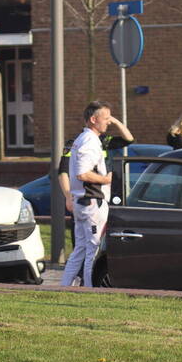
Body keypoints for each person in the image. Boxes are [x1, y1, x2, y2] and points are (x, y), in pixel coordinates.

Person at [57, 114, 134, 253]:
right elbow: (63, 172)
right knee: (82, 242)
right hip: (84, 197)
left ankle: (92, 270)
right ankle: (83, 272)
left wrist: (115, 121)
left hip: (104, 198)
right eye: (104, 119)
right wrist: (68, 196)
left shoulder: (103, 141)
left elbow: (129, 139)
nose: (107, 123)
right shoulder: (75, 143)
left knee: (98, 239)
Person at [61, 100, 116, 288]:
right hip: (92, 203)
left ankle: (64, 286)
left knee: (80, 249)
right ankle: (91, 291)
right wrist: (106, 180)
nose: (108, 122)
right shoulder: (89, 141)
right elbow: (82, 173)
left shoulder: (80, 139)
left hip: (82, 202)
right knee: (93, 250)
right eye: (106, 118)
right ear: (93, 119)